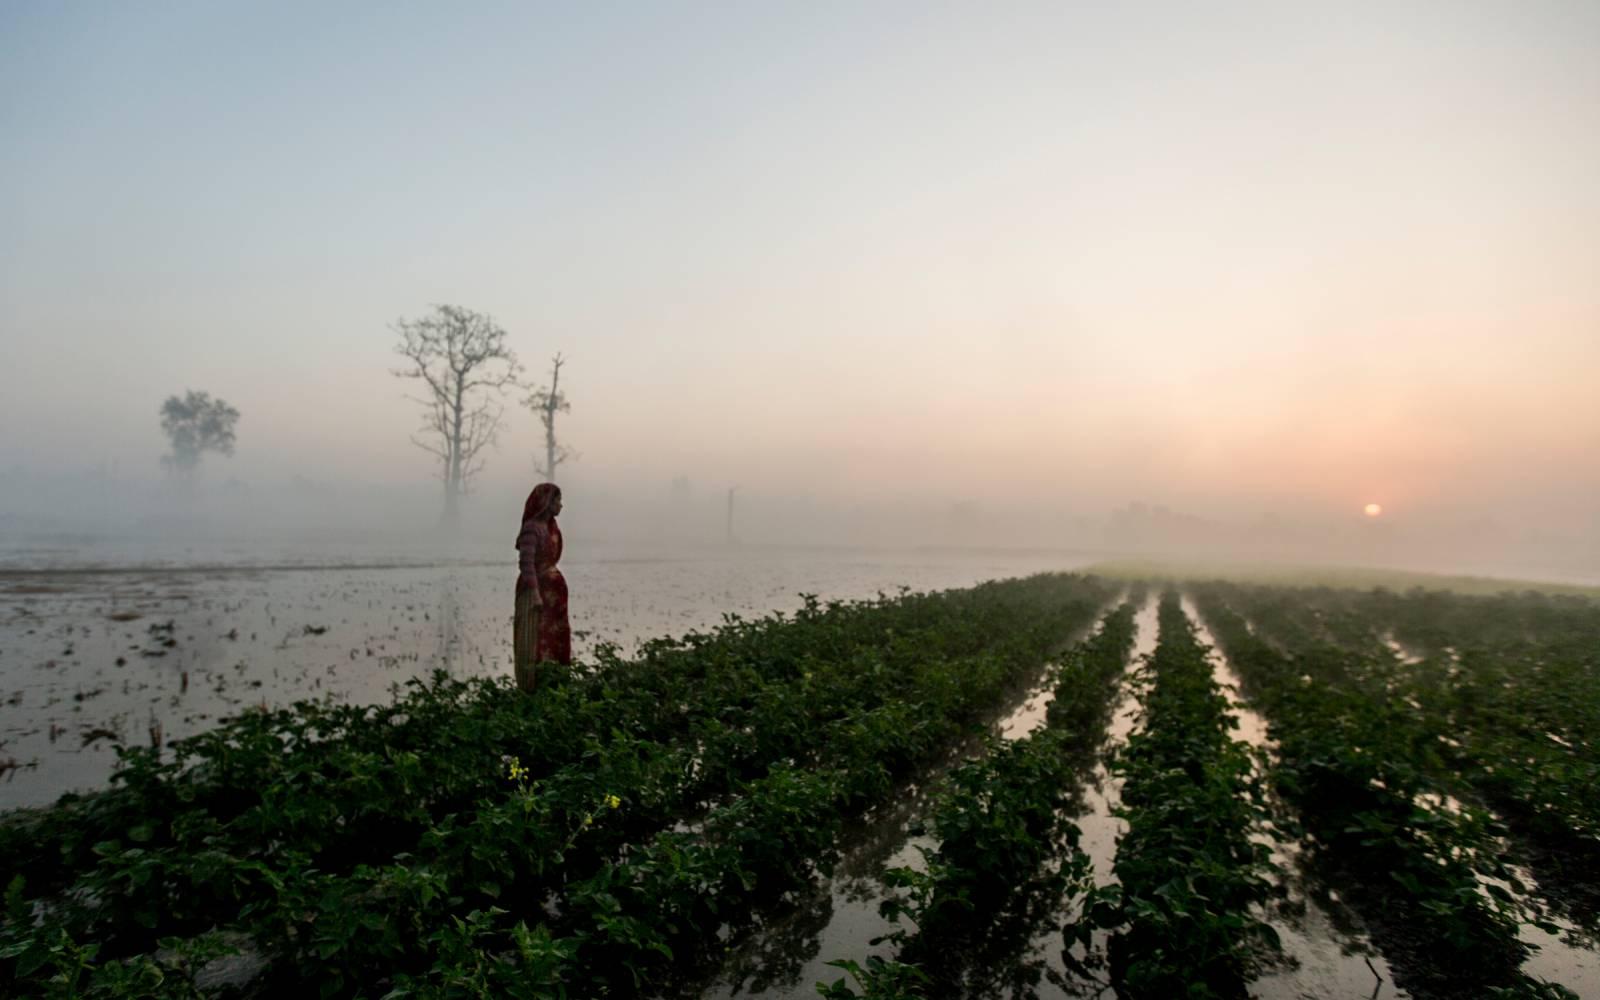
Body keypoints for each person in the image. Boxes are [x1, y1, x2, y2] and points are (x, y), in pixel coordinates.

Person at [513, 483, 570, 691]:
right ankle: (531, 687)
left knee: (555, 638)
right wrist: (536, 594)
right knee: (533, 640)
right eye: (557, 500)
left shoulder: (553, 528)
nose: (561, 505)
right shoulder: (532, 529)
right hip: (534, 593)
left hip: (554, 595)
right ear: (547, 503)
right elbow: (526, 565)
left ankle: (555, 684)